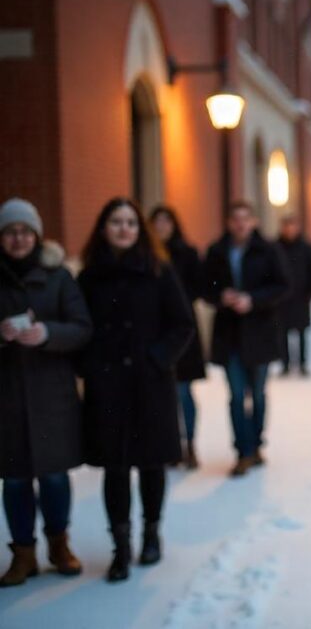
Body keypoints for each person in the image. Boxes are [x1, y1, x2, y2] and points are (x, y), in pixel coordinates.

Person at [78, 198, 194, 583]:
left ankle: (150, 533)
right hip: (107, 387)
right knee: (115, 468)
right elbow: (80, 328)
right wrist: (92, 367)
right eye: (116, 222)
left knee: (150, 463)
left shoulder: (158, 270)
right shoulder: (90, 276)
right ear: (104, 228)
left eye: (130, 222)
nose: (124, 228)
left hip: (149, 385)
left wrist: (157, 359)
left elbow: (183, 324)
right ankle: (120, 546)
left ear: (139, 229)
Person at [0, 199, 92, 587]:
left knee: (54, 477)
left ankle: (59, 544)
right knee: (15, 480)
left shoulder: (59, 278)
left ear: (37, 235)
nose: (18, 238)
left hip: (52, 395)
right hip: (6, 398)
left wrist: (48, 334)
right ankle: (23, 555)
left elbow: (82, 328)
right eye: (10, 232)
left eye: (24, 231)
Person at [204, 201, 290, 477]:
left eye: (245, 219)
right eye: (235, 219)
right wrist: (222, 297)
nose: (240, 224)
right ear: (229, 223)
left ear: (253, 221)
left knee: (259, 394)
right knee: (237, 396)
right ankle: (242, 451)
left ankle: (256, 444)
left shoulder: (268, 250)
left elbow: (283, 285)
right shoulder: (217, 252)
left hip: (260, 332)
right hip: (229, 334)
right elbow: (204, 286)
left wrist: (253, 300)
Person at [150, 206, 207, 469]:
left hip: (182, 331)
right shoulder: (144, 255)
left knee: (183, 391)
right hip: (153, 332)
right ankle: (168, 445)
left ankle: (190, 444)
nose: (162, 226)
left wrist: (175, 300)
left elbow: (200, 287)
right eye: (157, 221)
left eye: (166, 221)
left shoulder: (187, 253)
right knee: (162, 394)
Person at [276, 215, 311, 375]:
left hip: (301, 297)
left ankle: (302, 363)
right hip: (281, 299)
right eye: (287, 226)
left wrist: (310, 291)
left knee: (301, 332)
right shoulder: (276, 247)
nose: (289, 230)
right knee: (282, 333)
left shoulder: (305, 248)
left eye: (292, 226)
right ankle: (285, 363)